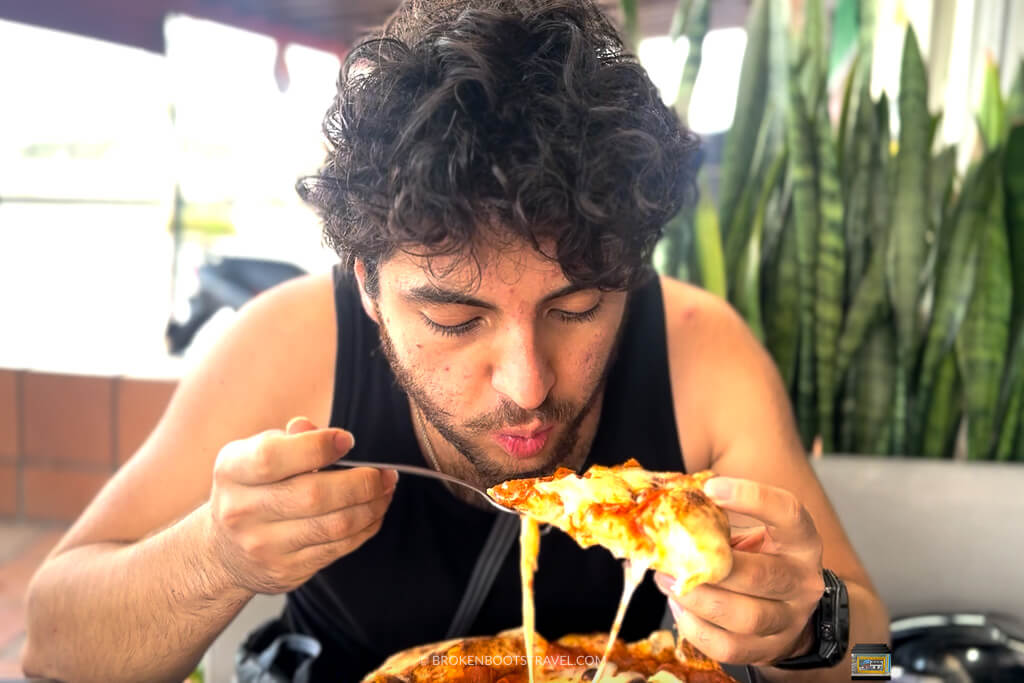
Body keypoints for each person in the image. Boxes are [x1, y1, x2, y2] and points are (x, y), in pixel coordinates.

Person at [21, 0, 890, 681]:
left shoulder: (703, 352)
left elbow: (884, 659)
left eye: (578, 305)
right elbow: (52, 641)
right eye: (454, 318)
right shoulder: (287, 345)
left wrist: (807, 628)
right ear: (366, 281)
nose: (528, 384)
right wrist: (214, 555)